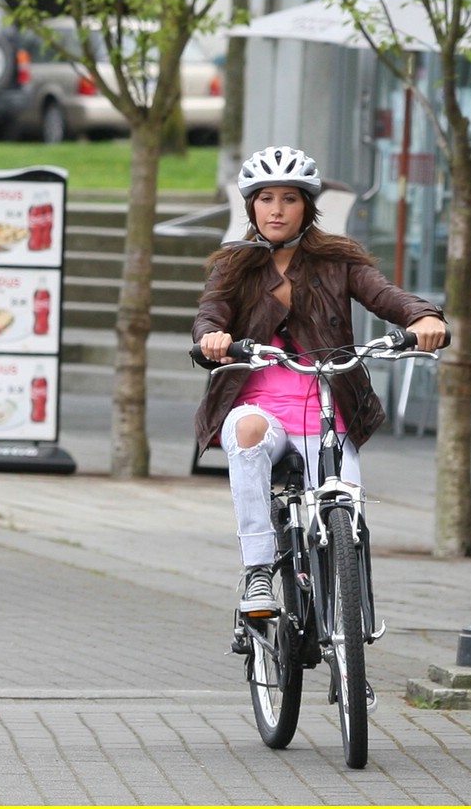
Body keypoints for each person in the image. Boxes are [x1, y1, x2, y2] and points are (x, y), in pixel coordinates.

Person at [192, 145, 448, 621]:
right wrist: (213, 338)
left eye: (289, 198)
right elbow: (211, 314)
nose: (276, 209)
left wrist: (424, 316)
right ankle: (259, 571)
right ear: (251, 205)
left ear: (306, 206)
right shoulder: (234, 266)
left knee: (345, 512)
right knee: (246, 433)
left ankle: (351, 634)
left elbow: (386, 296)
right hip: (257, 409)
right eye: (265, 198)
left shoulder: (338, 262)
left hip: (324, 411)